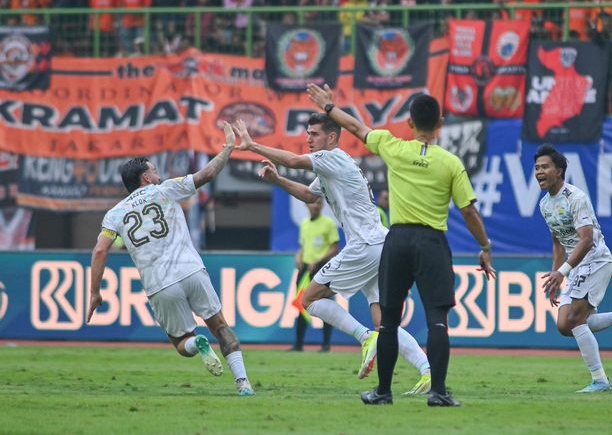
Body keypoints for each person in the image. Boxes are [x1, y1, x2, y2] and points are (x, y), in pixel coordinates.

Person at [306, 84, 495, 407]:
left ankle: (383, 392)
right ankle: (437, 392)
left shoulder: (393, 147)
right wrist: (485, 245)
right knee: (437, 318)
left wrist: (329, 108)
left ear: (409, 123)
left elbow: (356, 127)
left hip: (397, 239)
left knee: (389, 320)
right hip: (433, 242)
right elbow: (468, 210)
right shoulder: (450, 163)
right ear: (440, 124)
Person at [230, 116, 432, 396]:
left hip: (364, 245)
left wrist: (252, 146)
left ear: (332, 138)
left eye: (314, 134)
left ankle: (364, 339)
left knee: (309, 299)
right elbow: (309, 196)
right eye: (307, 134)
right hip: (380, 244)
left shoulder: (331, 158)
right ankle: (427, 371)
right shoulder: (332, 167)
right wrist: (277, 179)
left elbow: (293, 160)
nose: (308, 139)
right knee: (383, 321)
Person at [87, 123, 255, 397]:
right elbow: (207, 174)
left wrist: (94, 292)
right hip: (191, 271)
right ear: (146, 178)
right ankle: (243, 383)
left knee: (180, 343)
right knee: (222, 327)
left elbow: (99, 251)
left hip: (160, 284)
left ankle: (196, 342)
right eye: (153, 170)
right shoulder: (165, 189)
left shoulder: (113, 215)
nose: (157, 172)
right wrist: (227, 148)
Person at [535, 144, 612, 393]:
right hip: (576, 265)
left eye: (545, 167)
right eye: (536, 168)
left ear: (560, 170)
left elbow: (586, 240)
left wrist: (563, 272)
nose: (539, 172)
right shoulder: (545, 204)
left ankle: (600, 380)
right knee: (564, 326)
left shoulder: (575, 198)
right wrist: (556, 276)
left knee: (576, 319)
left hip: (596, 259)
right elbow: (558, 242)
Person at [291, 197, 339, 351]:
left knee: (327, 307)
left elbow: (334, 248)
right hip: (305, 271)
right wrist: (298, 257)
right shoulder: (304, 224)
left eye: (319, 203)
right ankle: (298, 345)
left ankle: (326, 345)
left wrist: (318, 260)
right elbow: (303, 247)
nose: (315, 206)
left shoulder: (329, 223)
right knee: (301, 305)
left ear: (323, 205)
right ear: (306, 204)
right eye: (312, 202)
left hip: (322, 270)